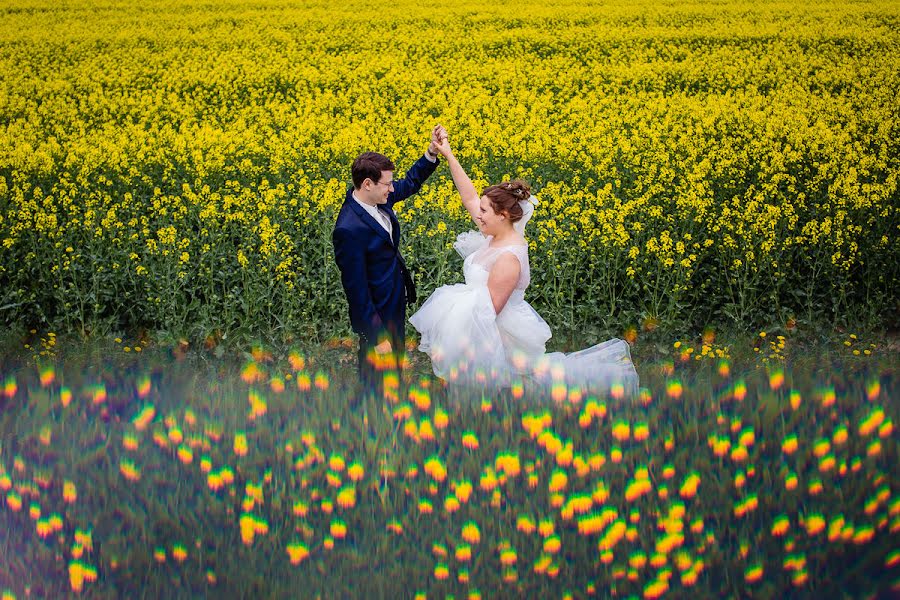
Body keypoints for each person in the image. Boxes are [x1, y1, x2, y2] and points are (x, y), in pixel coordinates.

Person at [409, 129, 639, 397]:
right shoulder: (494, 232)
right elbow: (470, 197)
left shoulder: (508, 257)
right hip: (479, 325)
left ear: (504, 215)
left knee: (516, 394)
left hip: (498, 337)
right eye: (481, 210)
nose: (478, 215)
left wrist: (456, 340)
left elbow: (488, 314)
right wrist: (447, 154)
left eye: (484, 211)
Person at [333, 126, 444, 393]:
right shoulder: (348, 229)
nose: (392, 188)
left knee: (393, 370)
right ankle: (372, 422)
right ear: (367, 184)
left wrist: (431, 153)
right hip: (376, 313)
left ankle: (391, 415)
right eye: (387, 184)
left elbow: (410, 183)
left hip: (393, 300)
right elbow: (356, 291)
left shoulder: (378, 199)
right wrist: (377, 335)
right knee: (375, 375)